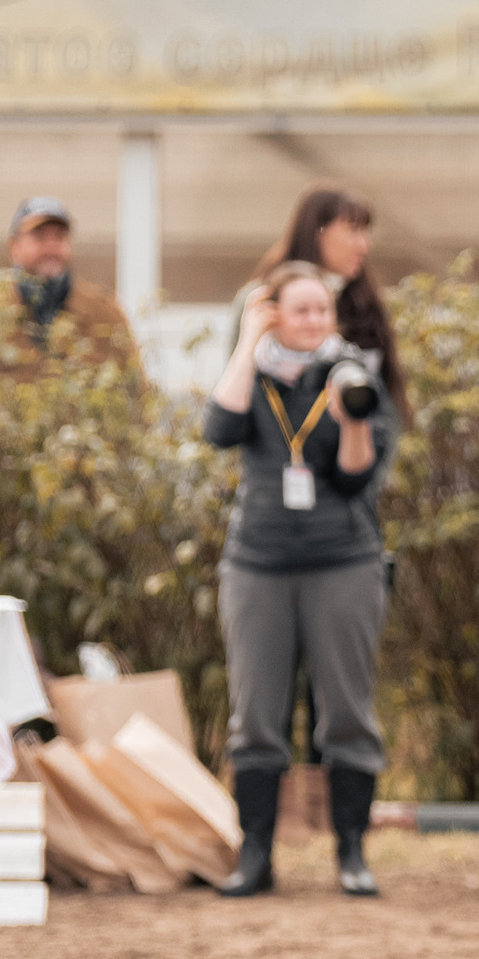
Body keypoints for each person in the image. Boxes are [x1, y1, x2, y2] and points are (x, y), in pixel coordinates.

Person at [205, 262, 399, 900]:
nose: (314, 321)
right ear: (273, 314)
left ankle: (352, 853)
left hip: (342, 562)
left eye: (323, 310)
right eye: (300, 310)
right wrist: (245, 343)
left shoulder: (353, 374)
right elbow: (219, 430)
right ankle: (255, 855)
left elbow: (355, 479)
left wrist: (353, 421)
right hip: (257, 563)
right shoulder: (252, 372)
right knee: (256, 716)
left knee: (346, 713)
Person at [246, 186, 413, 424]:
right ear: (319, 231)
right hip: (282, 440)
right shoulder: (261, 299)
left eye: (323, 310)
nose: (365, 245)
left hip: (357, 441)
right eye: (353, 231)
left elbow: (387, 398)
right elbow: (237, 396)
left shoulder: (365, 304)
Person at [0, 196, 137, 382]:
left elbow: (138, 392)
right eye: (39, 236)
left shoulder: (105, 314)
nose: (51, 247)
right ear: (14, 247)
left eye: (60, 236)